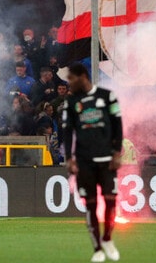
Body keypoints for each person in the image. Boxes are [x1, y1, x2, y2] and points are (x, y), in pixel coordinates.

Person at [61, 62, 123, 262]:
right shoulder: (70, 103)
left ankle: (107, 239)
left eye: (71, 79)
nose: (69, 83)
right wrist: (69, 159)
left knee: (111, 202)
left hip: (107, 161)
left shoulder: (107, 96)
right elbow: (66, 132)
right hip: (84, 162)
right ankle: (97, 249)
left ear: (82, 77)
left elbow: (118, 126)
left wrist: (116, 153)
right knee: (90, 205)